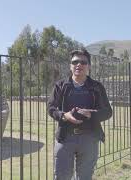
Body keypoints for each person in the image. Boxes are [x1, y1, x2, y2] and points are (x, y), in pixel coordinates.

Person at [47, 49, 112, 180]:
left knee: (85, 177)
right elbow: (51, 108)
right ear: (70, 65)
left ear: (89, 66)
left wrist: (91, 115)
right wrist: (64, 115)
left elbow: (107, 112)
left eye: (83, 62)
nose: (79, 65)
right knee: (61, 176)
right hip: (65, 138)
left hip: (90, 139)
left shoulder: (97, 87)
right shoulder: (61, 85)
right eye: (75, 62)